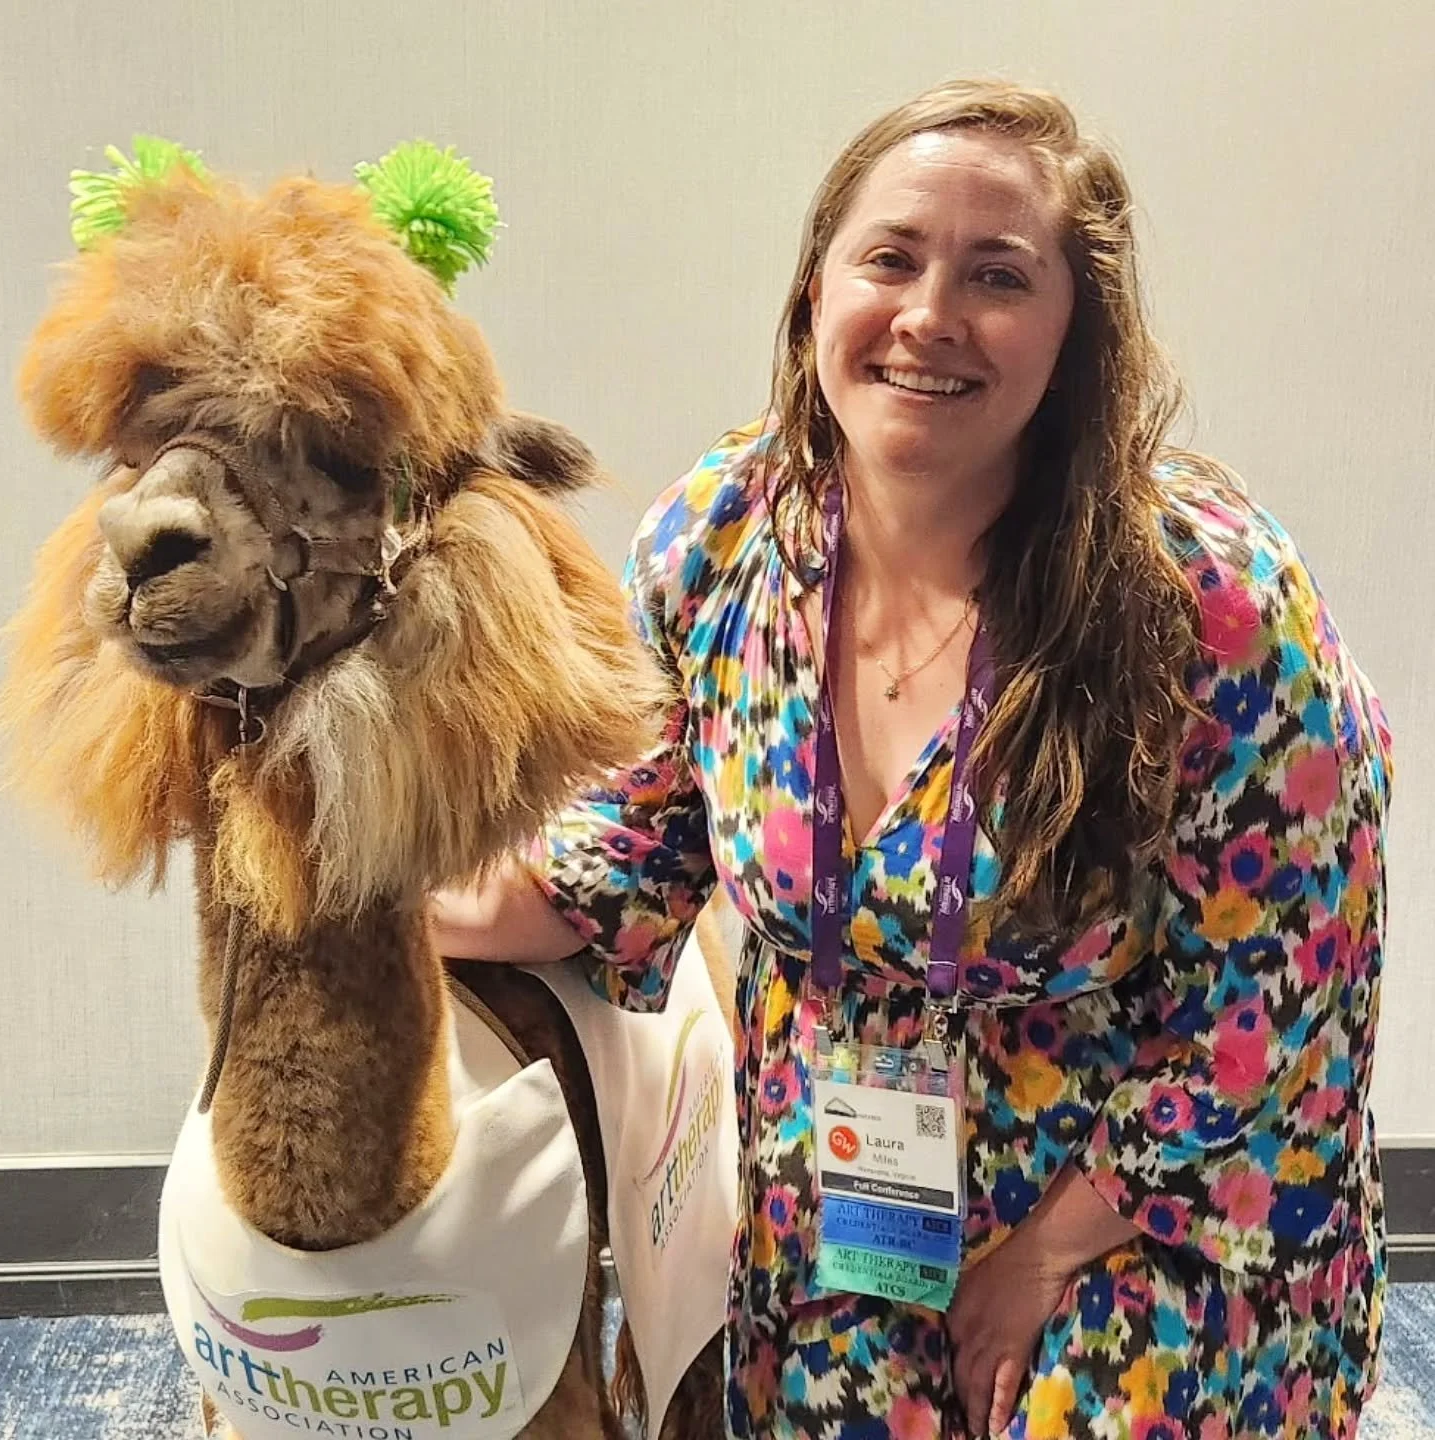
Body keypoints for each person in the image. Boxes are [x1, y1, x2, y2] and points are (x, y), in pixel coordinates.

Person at [433, 78, 1392, 1440]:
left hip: (1141, 1199)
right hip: (845, 1196)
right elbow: (638, 842)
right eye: (889, 258)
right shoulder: (719, 540)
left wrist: (1045, 1253)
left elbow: (1284, 998)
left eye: (997, 276)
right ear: (812, 296)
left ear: (1076, 334)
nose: (929, 314)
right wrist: (372, 894)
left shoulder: (1208, 600)